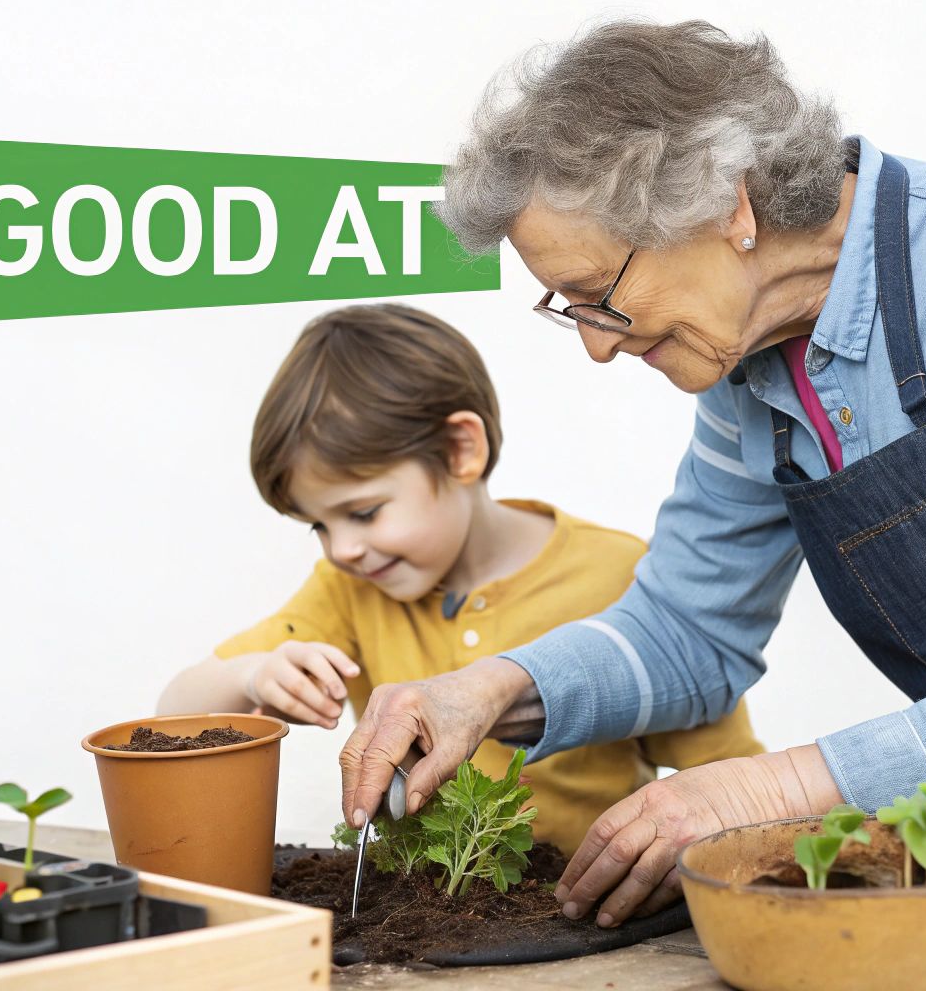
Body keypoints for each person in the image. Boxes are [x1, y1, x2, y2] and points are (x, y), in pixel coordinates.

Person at [339, 19, 926, 917]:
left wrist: (762, 790)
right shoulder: (749, 365)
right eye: (568, 307)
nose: (596, 347)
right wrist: (493, 689)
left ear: (729, 208)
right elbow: (687, 632)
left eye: (601, 297)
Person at [158, 303, 764, 853]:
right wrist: (252, 674)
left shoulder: (623, 580)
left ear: (459, 450)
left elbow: (729, 784)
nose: (343, 548)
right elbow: (172, 720)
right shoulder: (348, 589)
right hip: (415, 927)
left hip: (586, 923)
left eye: (363, 512)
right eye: (317, 525)